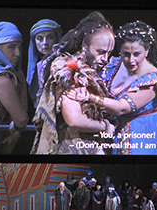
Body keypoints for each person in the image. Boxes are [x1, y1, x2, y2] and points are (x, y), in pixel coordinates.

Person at [75, 21, 157, 155]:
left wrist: (90, 97)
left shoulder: (153, 80)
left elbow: (121, 108)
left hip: (147, 134)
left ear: (146, 51)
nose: (131, 60)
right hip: (120, 133)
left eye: (136, 54)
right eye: (126, 54)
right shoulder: (115, 64)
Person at [31, 12, 116, 155]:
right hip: (70, 148)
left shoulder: (90, 70)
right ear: (84, 46)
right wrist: (105, 126)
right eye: (101, 52)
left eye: (108, 53)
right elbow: (74, 119)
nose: (105, 59)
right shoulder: (70, 70)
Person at [0, 21, 29, 154]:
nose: (17, 53)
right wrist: (16, 131)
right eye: (11, 47)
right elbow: (21, 118)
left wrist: (20, 78)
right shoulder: (1, 80)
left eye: (19, 47)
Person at [27, 19, 63, 106]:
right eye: (40, 38)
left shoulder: (62, 63)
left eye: (50, 37)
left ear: (57, 39)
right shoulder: (38, 66)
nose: (45, 43)